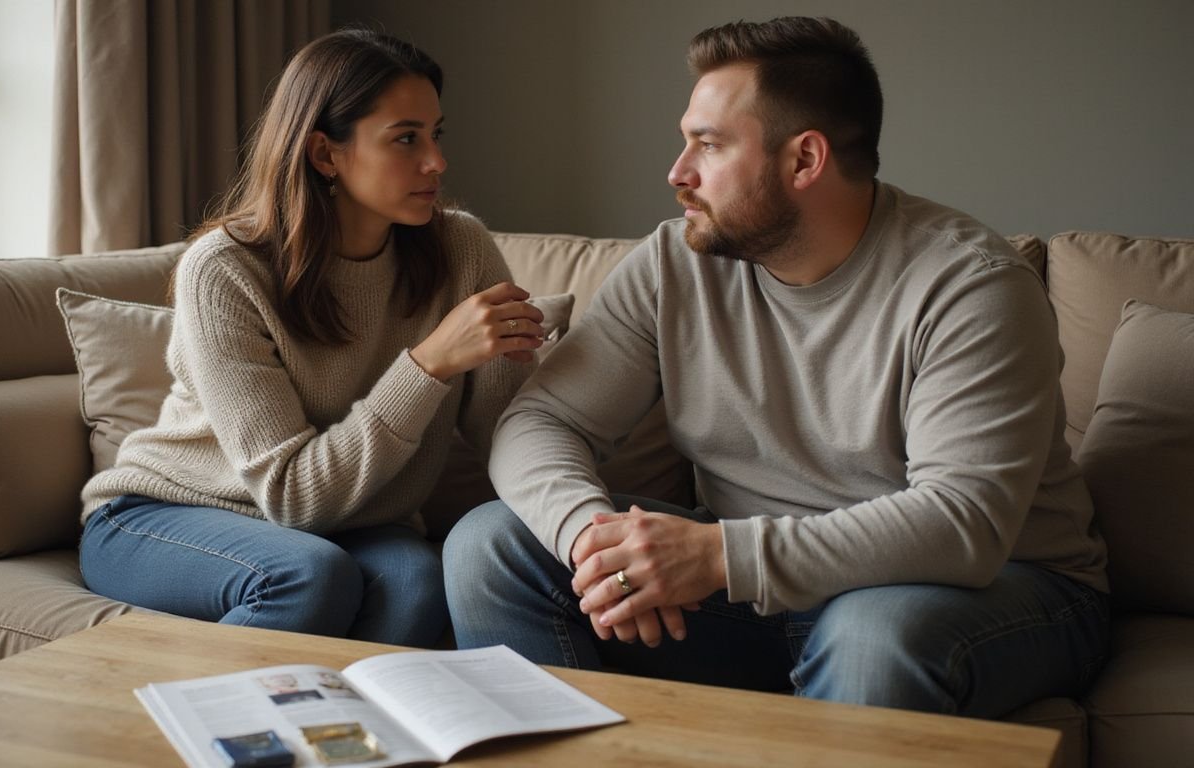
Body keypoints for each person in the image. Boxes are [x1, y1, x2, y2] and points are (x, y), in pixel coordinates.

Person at [444, 16, 1109, 717]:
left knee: (872, 632)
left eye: (708, 144)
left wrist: (719, 557)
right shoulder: (676, 265)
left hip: (994, 593)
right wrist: (590, 542)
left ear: (804, 160)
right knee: (491, 545)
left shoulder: (970, 287)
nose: (677, 173)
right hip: (763, 602)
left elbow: (962, 525)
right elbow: (539, 418)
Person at [78, 29, 544, 648]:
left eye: (436, 134)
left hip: (361, 524)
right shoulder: (225, 269)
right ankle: (191, 730)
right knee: (306, 575)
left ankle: (346, 742)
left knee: (419, 584)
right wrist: (428, 364)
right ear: (325, 154)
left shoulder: (461, 248)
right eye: (406, 138)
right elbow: (293, 499)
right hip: (166, 515)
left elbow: (502, 432)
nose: (436, 162)